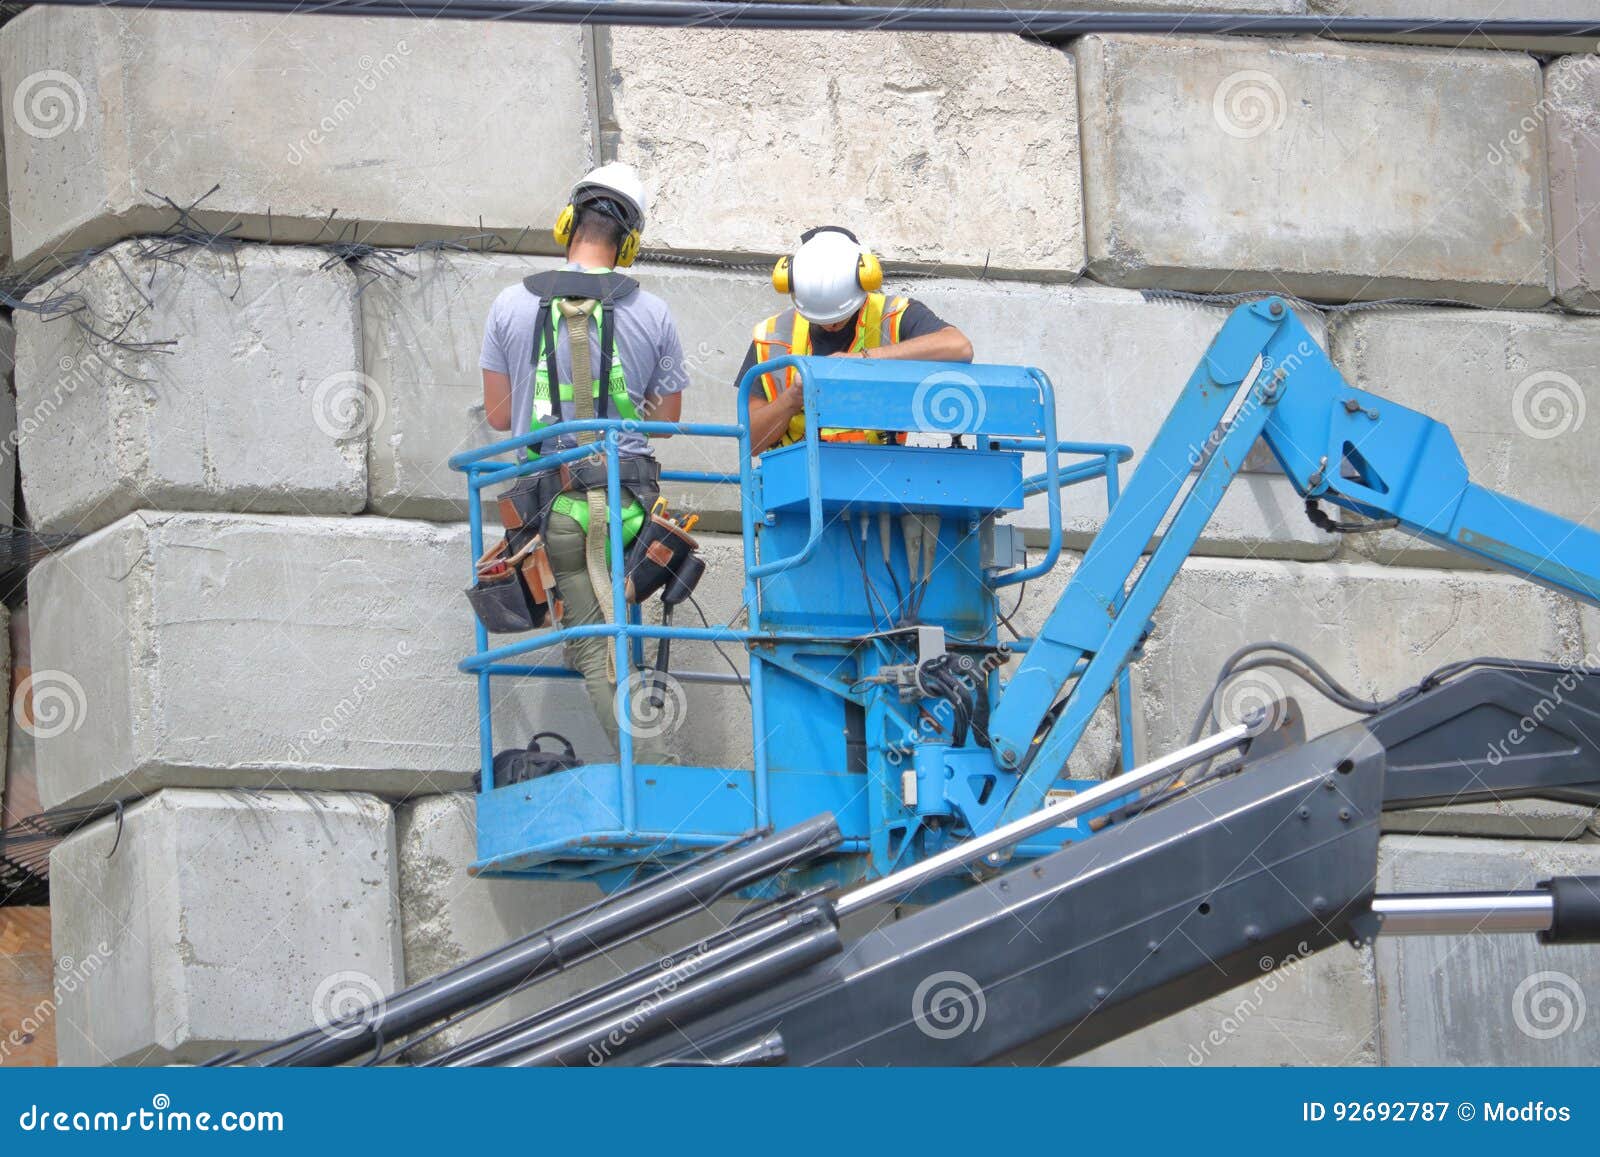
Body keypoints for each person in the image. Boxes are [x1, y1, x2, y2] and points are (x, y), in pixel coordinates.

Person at [480, 162, 687, 758]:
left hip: (554, 507)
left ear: (567, 223)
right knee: (615, 633)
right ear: (630, 243)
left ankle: (644, 768)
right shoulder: (653, 312)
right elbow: (666, 420)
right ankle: (649, 768)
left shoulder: (508, 305)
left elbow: (498, 417)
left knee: (598, 643)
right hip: (634, 506)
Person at [738, 226, 974, 452]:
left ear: (865, 282)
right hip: (796, 479)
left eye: (839, 316)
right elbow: (751, 444)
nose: (830, 325)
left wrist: (861, 360)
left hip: (881, 471)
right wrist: (792, 398)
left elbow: (959, 347)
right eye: (820, 318)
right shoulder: (771, 336)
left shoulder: (894, 315)